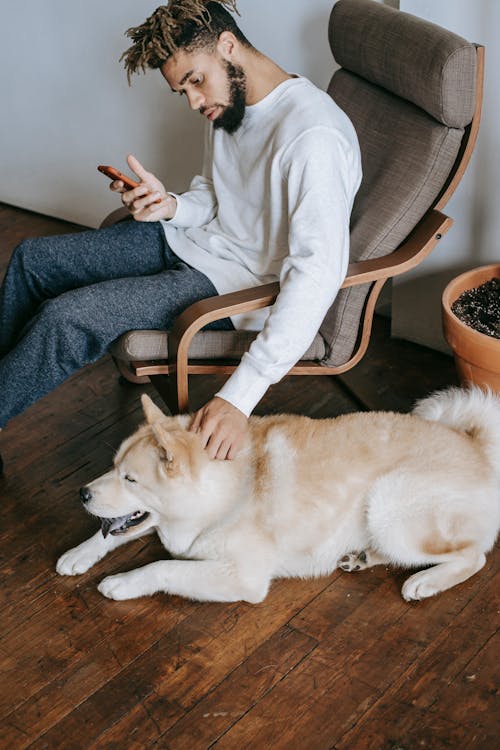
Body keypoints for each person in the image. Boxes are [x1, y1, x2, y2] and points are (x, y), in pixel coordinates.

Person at [0, 0, 361, 472]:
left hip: (239, 284)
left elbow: (318, 273)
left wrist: (240, 397)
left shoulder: (313, 138)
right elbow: (215, 194)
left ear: (228, 47)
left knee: (66, 318)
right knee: (33, 260)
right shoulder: (230, 104)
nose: (193, 101)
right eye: (181, 90)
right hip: (193, 242)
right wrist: (169, 205)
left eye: (195, 80)